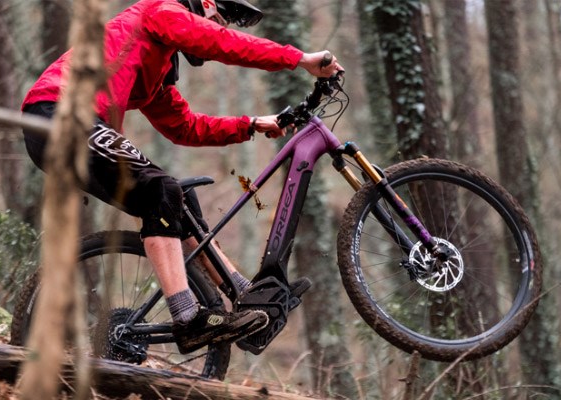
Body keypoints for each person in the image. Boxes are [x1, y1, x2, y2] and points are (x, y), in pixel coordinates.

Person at [21, 0, 343, 354]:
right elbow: (222, 43)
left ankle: (245, 297)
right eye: (220, 18)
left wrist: (249, 125)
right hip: (60, 114)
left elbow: (184, 126)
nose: (223, 27)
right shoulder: (162, 10)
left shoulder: (155, 67)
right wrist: (300, 58)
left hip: (64, 126)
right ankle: (187, 317)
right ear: (203, 5)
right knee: (160, 189)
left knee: (178, 203)